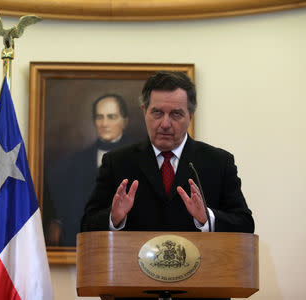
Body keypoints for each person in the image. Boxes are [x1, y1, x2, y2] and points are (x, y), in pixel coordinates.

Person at [81, 71, 254, 300]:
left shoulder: (218, 162)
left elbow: (244, 224)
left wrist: (207, 219)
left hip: (202, 294)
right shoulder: (117, 162)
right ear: (144, 112)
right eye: (157, 113)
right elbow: (87, 225)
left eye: (176, 114)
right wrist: (115, 218)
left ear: (190, 115)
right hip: (133, 294)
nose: (165, 123)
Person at [45, 93, 134, 247]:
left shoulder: (138, 159)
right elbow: (67, 204)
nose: (104, 123)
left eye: (111, 117)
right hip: (82, 242)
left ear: (124, 121)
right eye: (100, 117)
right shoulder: (75, 162)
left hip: (126, 245)